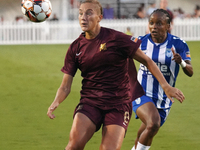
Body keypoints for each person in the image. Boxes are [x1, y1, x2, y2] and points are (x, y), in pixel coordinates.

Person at [47, 1, 185, 149]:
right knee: (73, 146)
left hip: (118, 105)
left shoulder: (116, 38)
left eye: (89, 13)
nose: (83, 17)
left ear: (99, 17)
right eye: (81, 13)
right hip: (90, 102)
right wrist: (56, 101)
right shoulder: (76, 47)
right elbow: (65, 86)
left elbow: (147, 60)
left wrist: (166, 86)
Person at [131, 9, 193, 150]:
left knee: (146, 132)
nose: (154, 27)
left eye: (159, 23)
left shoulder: (178, 44)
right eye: (151, 23)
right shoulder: (141, 42)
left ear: (168, 25)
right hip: (141, 92)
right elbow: (120, 45)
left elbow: (190, 71)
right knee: (153, 123)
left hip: (164, 99)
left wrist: (181, 62)